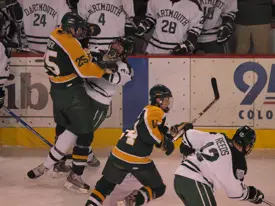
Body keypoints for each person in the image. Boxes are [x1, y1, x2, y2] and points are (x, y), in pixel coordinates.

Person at [26, 12, 118, 193]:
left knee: (62, 125)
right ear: (69, 28)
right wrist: (104, 69)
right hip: (72, 93)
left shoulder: (55, 33)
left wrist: (86, 32)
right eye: (77, 29)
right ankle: (75, 176)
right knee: (85, 133)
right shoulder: (71, 43)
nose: (80, 32)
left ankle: (58, 164)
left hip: (56, 90)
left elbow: (72, 52)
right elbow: (85, 70)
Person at [52, 36, 135, 170]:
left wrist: (98, 66)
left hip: (98, 104)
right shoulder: (98, 51)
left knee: (82, 134)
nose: (115, 47)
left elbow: (114, 78)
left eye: (120, 47)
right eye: (115, 44)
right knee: (63, 125)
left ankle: (82, 163)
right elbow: (82, 58)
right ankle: (60, 161)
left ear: (125, 53)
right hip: (81, 95)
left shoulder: (125, 67)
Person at [85, 84, 175, 206]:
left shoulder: (149, 110)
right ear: (158, 100)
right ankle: (131, 201)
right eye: (165, 100)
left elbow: (154, 131)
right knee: (158, 188)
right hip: (135, 157)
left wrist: (169, 135)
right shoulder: (156, 111)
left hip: (118, 153)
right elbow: (149, 132)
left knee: (105, 185)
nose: (167, 102)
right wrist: (164, 142)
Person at [174, 124, 265, 205]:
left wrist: (186, 146)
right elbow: (235, 192)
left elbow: (188, 135)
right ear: (248, 145)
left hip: (179, 178)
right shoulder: (239, 161)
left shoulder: (218, 136)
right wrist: (252, 194)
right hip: (196, 182)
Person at [135, 0, 204, 54]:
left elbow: (195, 30)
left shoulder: (193, 5)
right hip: (154, 50)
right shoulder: (155, 1)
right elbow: (151, 17)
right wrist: (145, 25)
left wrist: (186, 46)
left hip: (177, 51)